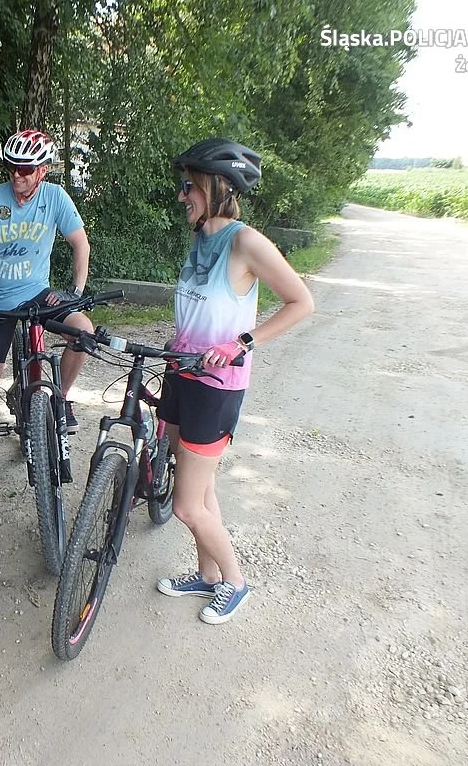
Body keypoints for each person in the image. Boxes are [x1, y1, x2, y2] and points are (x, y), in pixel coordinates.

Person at [154, 138, 314, 624]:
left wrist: (243, 341)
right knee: (201, 492)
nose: (182, 195)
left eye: (189, 186)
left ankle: (236, 582)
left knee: (185, 506)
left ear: (216, 186)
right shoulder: (201, 238)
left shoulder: (246, 242)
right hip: (183, 375)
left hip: (217, 388)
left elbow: (301, 302)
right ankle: (205, 576)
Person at [0, 129, 92, 479]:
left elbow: (81, 244)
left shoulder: (55, 198)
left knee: (84, 333)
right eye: (11, 166)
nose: (17, 174)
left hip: (40, 293)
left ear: (42, 170)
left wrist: (75, 289)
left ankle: (60, 397)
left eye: (26, 169)